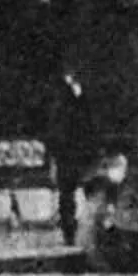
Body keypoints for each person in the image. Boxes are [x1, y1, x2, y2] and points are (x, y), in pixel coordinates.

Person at [43, 66, 95, 247]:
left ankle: (73, 230)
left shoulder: (67, 103)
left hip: (72, 151)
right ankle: (72, 231)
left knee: (70, 193)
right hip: (71, 151)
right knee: (70, 193)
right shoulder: (69, 102)